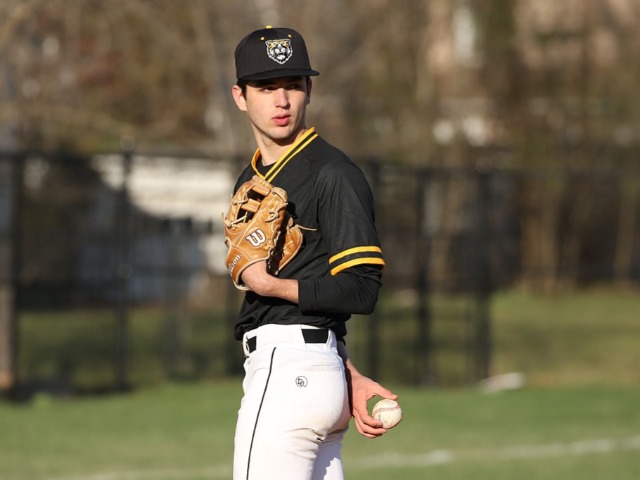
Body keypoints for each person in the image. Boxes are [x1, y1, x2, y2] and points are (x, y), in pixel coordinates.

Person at [228, 26, 397, 480]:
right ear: (240, 96)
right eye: (266, 87)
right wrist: (349, 374)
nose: (282, 100)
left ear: (309, 90)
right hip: (318, 371)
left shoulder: (333, 174)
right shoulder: (252, 179)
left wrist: (269, 285)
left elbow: (362, 290)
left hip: (287, 373)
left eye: (293, 85)